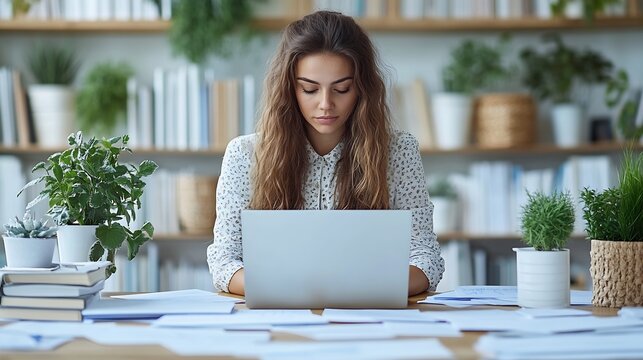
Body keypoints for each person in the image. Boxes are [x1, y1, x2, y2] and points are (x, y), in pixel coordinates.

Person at [206, 10, 444, 296]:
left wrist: (362, 289)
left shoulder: (398, 152)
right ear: (289, 89)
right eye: (309, 89)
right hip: (277, 319)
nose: (325, 104)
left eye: (342, 89)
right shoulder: (245, 155)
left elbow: (426, 258)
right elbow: (224, 261)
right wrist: (285, 288)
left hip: (369, 316)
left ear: (362, 89)